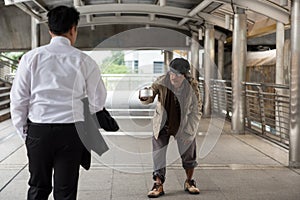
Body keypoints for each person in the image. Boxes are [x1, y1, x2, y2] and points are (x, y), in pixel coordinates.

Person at [10, 5, 107, 200]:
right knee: (66, 191)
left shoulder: (31, 58)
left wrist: (26, 133)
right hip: (71, 133)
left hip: (38, 131)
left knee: (38, 187)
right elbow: (97, 102)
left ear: (49, 30)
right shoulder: (84, 61)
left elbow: (19, 99)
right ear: (73, 29)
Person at [139, 58, 202, 198]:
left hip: (183, 124)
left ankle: (189, 181)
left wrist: (189, 132)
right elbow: (151, 95)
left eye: (178, 75)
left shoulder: (192, 86)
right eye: (172, 73)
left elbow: (197, 110)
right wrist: (145, 97)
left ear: (185, 75)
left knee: (189, 153)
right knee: (158, 153)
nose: (174, 77)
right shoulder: (161, 82)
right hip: (163, 124)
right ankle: (158, 184)